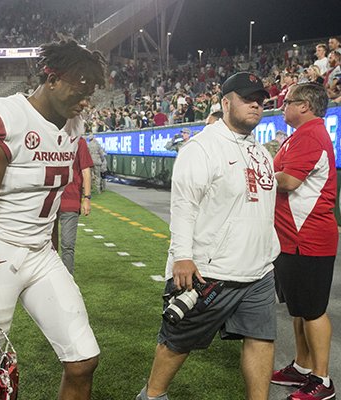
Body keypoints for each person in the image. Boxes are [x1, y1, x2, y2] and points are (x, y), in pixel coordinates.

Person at [0, 39, 106, 400]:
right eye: (80, 87)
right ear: (52, 79)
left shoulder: (74, 128)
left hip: (41, 253)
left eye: (92, 91)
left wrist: (52, 253)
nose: (86, 99)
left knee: (83, 359)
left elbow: (51, 203)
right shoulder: (6, 119)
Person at [135, 72, 280, 400]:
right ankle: (153, 396)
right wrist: (182, 255)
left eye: (260, 99)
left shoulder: (260, 151)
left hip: (259, 271)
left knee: (261, 340)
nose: (256, 104)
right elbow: (183, 205)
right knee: (176, 343)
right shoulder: (201, 147)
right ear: (226, 103)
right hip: (210, 271)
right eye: (247, 98)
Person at [270, 83, 337, 400]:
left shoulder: (310, 134)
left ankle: (323, 380)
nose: (282, 106)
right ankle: (302, 366)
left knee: (313, 311)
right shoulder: (302, 134)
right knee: (299, 309)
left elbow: (290, 181)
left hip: (307, 237)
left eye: (287, 101)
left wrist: (260, 174)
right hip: (292, 238)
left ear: (305, 106)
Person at [57, 136, 93, 275]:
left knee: (67, 245)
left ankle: (66, 282)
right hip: (49, 201)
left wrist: (87, 197)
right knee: (48, 246)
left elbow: (85, 170)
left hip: (69, 199)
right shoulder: (48, 135)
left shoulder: (79, 141)